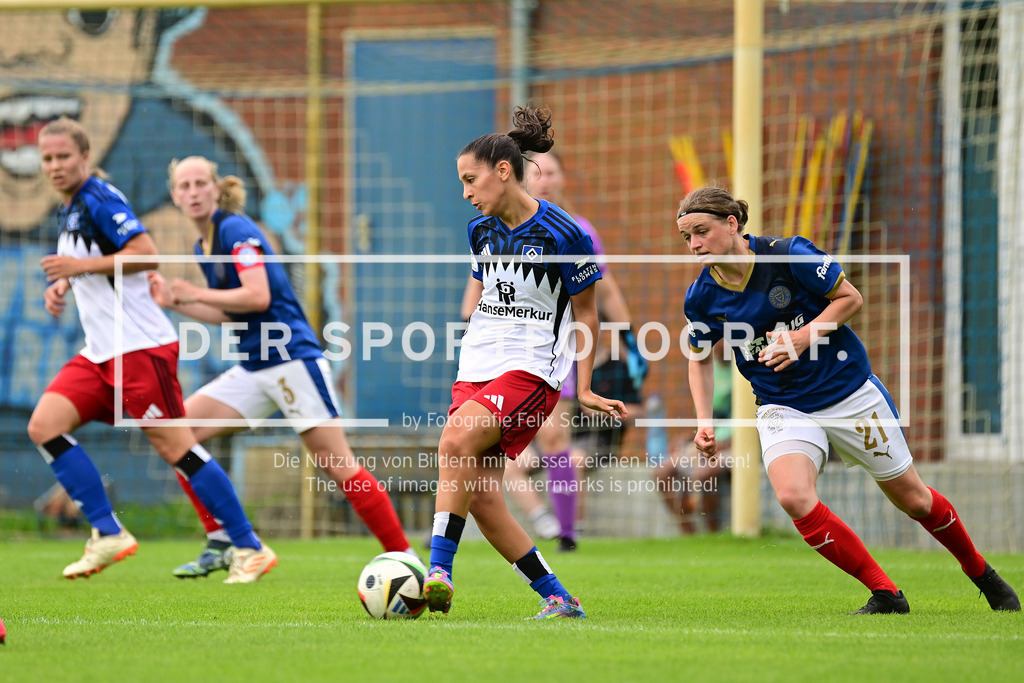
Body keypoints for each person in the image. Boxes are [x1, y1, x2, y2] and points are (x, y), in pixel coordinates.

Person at [678, 185, 1020, 614]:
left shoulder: (788, 254)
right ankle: (886, 594)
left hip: (849, 393)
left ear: (732, 224)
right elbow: (699, 360)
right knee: (792, 495)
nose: (694, 246)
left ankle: (980, 572)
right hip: (781, 404)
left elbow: (850, 298)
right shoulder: (702, 297)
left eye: (701, 232)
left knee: (914, 499)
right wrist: (704, 421)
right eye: (686, 237)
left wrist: (802, 337)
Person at [27, 116, 276, 583]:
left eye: (64, 156)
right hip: (102, 353)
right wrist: (66, 281)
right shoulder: (72, 208)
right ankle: (107, 533)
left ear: (86, 158)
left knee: (177, 448)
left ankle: (248, 545)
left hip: (140, 350)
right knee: (45, 426)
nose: (55, 165)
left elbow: (145, 251)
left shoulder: (100, 198)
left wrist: (78, 265)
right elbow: (95, 265)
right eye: (48, 158)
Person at [149, 155, 414, 577]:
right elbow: (231, 313)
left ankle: (406, 558)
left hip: (291, 360)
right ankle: (224, 541)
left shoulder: (235, 228)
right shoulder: (204, 244)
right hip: (255, 366)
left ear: (217, 189)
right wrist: (179, 302)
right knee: (176, 435)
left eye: (201, 183)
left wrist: (193, 293)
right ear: (175, 196)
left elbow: (256, 297)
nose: (193, 192)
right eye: (184, 186)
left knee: (336, 462)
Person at [424, 105, 626, 619]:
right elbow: (490, 291)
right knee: (485, 498)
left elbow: (587, 314)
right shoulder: (481, 232)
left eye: (471, 180)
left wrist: (582, 387)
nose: (466, 192)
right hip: (476, 365)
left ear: (503, 171)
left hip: (532, 369)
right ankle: (558, 597)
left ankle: (437, 573)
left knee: (453, 441)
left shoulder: (567, 234)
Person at [464, 150, 647, 552]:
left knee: (552, 437)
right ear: (520, 178)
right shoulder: (493, 226)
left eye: (552, 172)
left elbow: (605, 291)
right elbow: (477, 286)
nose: (545, 179)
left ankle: (565, 532)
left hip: (554, 348)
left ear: (563, 179)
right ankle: (533, 520)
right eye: (538, 173)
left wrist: (630, 339)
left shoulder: (578, 230)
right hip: (502, 348)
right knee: (485, 447)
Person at [652, 343, 730, 534]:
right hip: (708, 441)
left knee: (705, 473)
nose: (718, 346)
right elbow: (704, 418)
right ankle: (689, 532)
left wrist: (721, 445)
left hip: (734, 445)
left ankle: (713, 533)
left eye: (723, 340)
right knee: (662, 472)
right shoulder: (709, 369)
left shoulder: (742, 373)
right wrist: (685, 440)